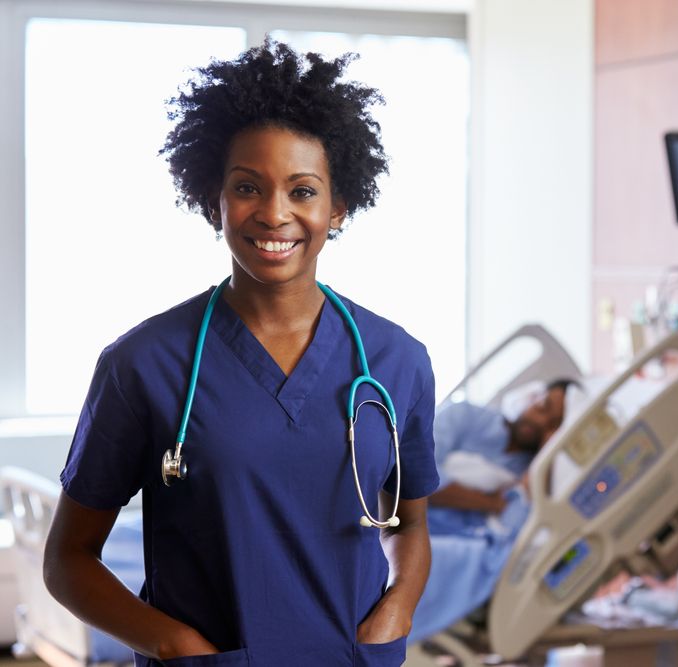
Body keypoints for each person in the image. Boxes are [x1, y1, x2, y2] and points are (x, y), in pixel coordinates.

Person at [42, 41, 438, 666]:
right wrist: (171, 643)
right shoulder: (142, 364)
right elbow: (67, 559)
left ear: (338, 207)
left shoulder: (398, 361)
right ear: (213, 202)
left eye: (303, 191)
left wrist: (399, 608)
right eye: (248, 187)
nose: (275, 214)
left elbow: (410, 523)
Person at [426, 379, 573, 535]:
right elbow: (419, 474)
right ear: (533, 398)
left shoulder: (531, 477)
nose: (540, 422)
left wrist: (545, 455)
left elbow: (512, 531)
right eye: (543, 407)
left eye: (553, 426)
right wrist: (492, 503)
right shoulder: (464, 415)